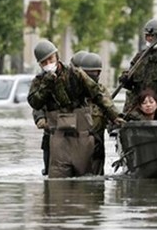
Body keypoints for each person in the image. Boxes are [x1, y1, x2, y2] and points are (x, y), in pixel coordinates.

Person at [27, 40, 124, 178]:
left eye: (50, 59)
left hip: (82, 134)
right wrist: (46, 85)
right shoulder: (39, 81)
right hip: (58, 136)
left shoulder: (75, 74)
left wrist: (115, 116)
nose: (48, 63)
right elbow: (34, 103)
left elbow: (98, 94)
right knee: (58, 182)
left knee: (85, 179)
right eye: (44, 62)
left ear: (56, 56)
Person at [119, 18, 157, 114]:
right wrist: (125, 79)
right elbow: (131, 79)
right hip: (140, 106)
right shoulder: (140, 57)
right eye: (147, 36)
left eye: (153, 36)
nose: (149, 38)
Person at [80, 52, 121, 175]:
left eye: (94, 73)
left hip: (97, 147)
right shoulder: (75, 91)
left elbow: (111, 115)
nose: (91, 76)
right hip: (77, 146)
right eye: (88, 73)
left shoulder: (103, 92)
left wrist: (116, 124)